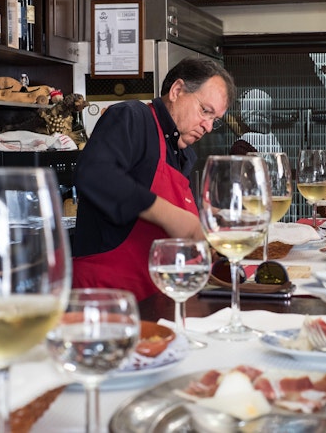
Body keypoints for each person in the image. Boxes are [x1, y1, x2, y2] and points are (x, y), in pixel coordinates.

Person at [72, 57, 236, 301]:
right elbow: (95, 173)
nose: (209, 126)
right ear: (177, 91)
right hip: (104, 298)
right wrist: (168, 215)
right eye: (205, 111)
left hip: (154, 298)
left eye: (215, 119)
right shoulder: (133, 117)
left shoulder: (182, 154)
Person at [230, 88, 283, 154]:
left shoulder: (241, 146)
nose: (237, 117)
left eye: (240, 111)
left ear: (247, 114)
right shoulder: (273, 141)